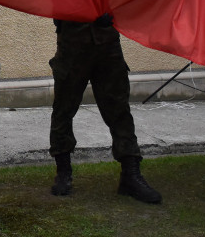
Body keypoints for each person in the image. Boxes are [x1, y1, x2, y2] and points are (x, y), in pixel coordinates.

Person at [48, 15, 162, 204]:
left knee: (119, 111)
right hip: (73, 43)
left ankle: (131, 174)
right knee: (63, 110)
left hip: (107, 41)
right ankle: (63, 172)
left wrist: (112, 12)